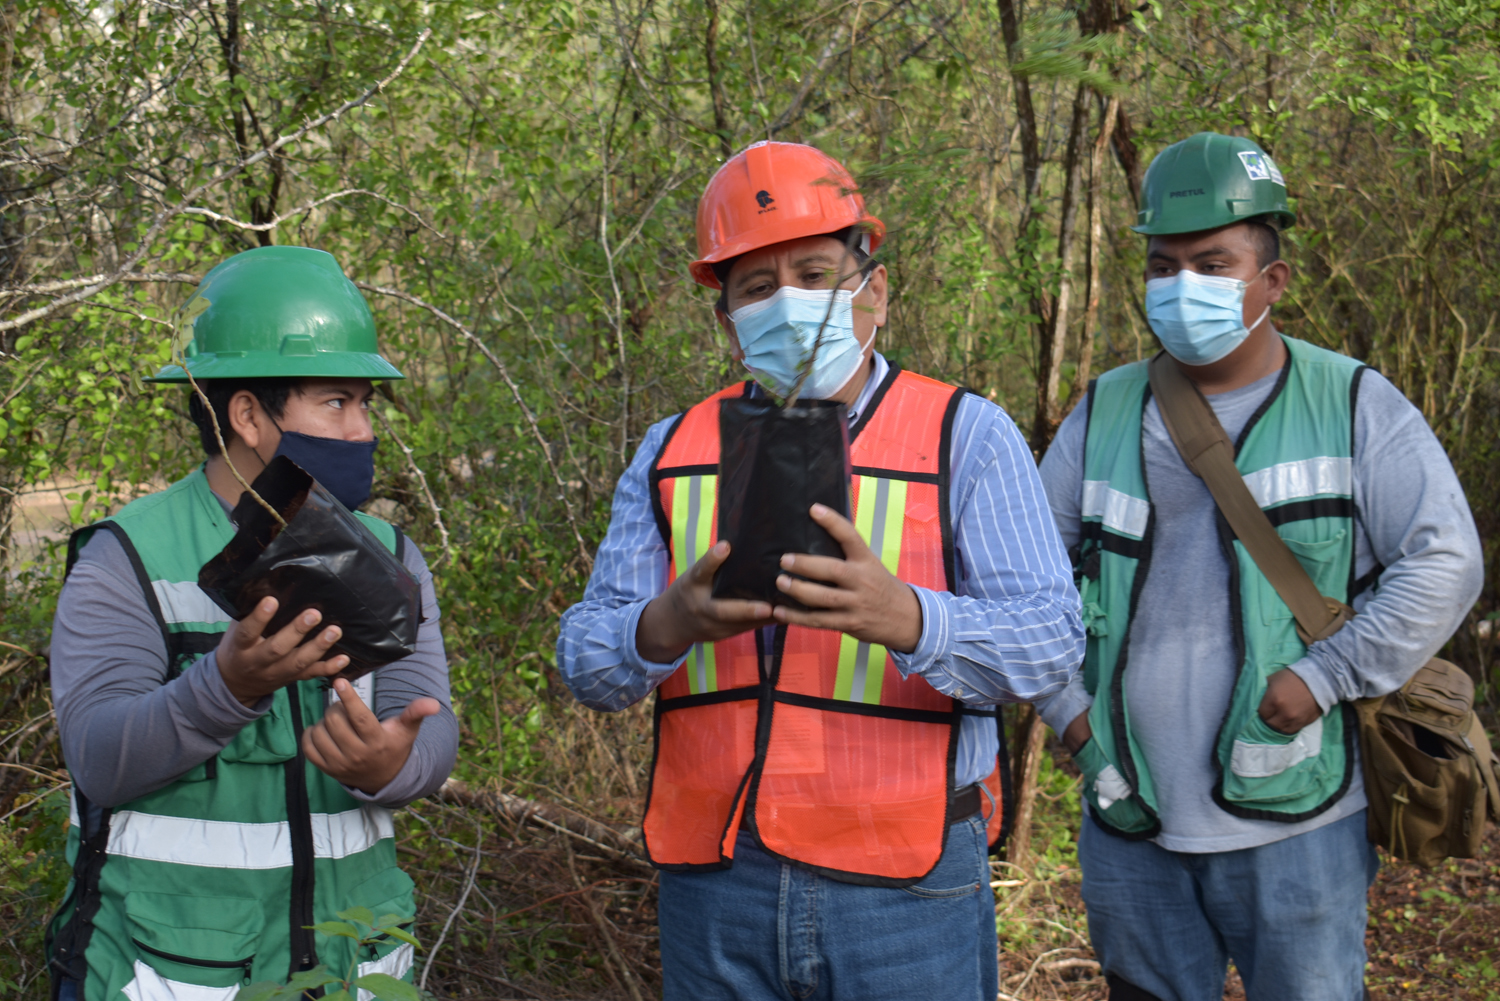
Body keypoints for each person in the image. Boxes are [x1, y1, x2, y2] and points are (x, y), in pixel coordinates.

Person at [557, 140, 1084, 1001]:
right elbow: (584, 659)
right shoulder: (670, 450)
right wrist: (670, 622)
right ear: (726, 321)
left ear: (872, 289)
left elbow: (1054, 646)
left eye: (815, 273)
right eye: (759, 288)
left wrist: (909, 616)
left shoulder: (968, 435)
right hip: (717, 880)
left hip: (907, 883)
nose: (789, 303)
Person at [1033, 132, 1484, 1001]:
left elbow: (1446, 560)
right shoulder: (1104, 409)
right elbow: (1031, 583)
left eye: (1212, 262)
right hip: (1131, 818)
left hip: (1300, 824)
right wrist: (1072, 717)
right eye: (1164, 266)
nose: (1182, 286)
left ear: (1272, 280)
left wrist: (1323, 677)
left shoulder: (1352, 400)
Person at [46, 246, 457, 1001]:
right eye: (337, 402)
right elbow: (98, 755)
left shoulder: (392, 555)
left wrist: (395, 765)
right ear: (247, 414)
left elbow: (429, 722)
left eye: (366, 403)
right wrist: (227, 685)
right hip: (167, 975)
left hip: (351, 969)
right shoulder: (127, 557)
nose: (364, 429)